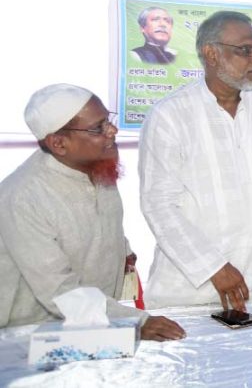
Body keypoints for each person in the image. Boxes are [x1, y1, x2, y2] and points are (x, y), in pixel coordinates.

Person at [139, 11, 252, 311]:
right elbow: (159, 204)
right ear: (211, 54)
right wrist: (213, 268)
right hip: (187, 293)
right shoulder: (170, 115)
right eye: (245, 50)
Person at [0, 84, 184, 341]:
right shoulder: (21, 197)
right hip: (31, 335)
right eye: (98, 128)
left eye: (108, 120)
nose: (113, 131)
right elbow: (59, 292)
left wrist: (124, 252)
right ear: (59, 143)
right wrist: (135, 321)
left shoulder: (95, 168)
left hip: (94, 321)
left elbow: (101, 226)